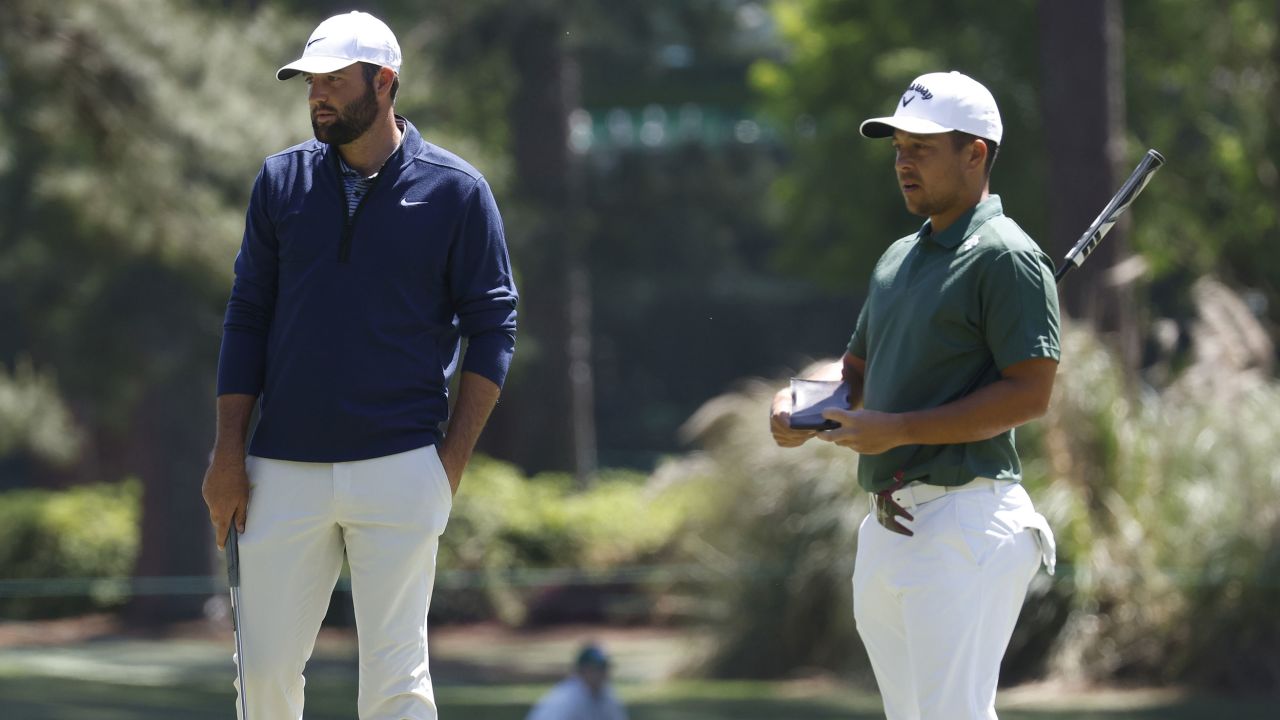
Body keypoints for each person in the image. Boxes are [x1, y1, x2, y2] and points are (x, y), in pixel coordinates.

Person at [200, 11, 518, 720]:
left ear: (384, 82)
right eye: (311, 82)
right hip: (280, 466)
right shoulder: (279, 183)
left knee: (397, 682)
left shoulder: (457, 191)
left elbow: (494, 326)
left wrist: (450, 462)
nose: (318, 95)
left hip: (401, 462)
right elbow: (246, 317)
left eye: (335, 81)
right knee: (265, 673)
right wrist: (228, 454)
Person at [769, 71, 1059, 719]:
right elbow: (856, 371)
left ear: (975, 153)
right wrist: (797, 406)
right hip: (891, 524)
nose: (903, 162)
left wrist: (898, 429)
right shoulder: (900, 257)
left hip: (966, 520)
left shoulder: (1006, 257)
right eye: (899, 147)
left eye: (922, 148)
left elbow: (1029, 394)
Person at [526, 644, 628, 720]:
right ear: (580, 671)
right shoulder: (565, 699)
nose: (600, 674)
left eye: (603, 669)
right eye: (593, 669)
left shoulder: (607, 694)